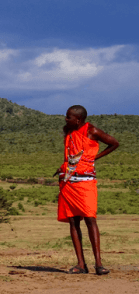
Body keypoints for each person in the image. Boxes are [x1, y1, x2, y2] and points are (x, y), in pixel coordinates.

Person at [56, 105, 119, 275]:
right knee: (73, 221)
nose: (65, 119)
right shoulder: (68, 131)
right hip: (68, 181)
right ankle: (81, 265)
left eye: (68, 117)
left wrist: (93, 158)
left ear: (78, 119)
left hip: (86, 182)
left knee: (90, 219)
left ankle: (99, 264)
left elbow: (114, 143)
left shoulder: (92, 131)